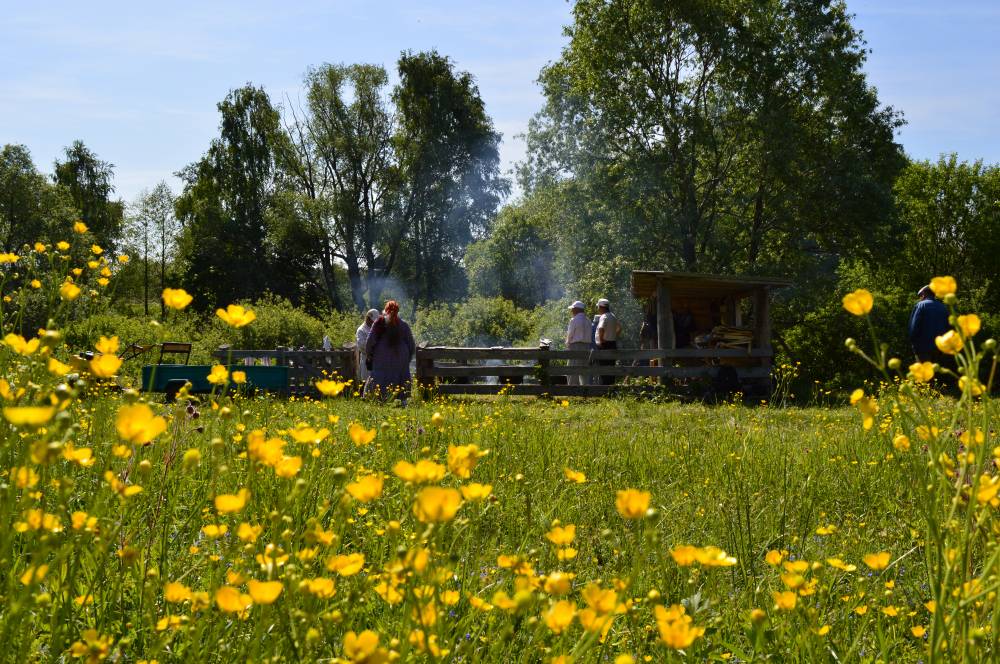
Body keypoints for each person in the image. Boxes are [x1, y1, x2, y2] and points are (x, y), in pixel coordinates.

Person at [365, 301, 416, 401]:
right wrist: (408, 357)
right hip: (401, 355)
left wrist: (369, 354)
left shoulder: (379, 322)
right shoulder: (404, 324)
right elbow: (411, 343)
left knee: (380, 376)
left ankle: (379, 398)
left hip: (382, 355)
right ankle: (403, 400)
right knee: (401, 375)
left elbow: (370, 340)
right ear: (398, 311)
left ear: (385, 309)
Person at [909, 285, 950, 363]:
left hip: (922, 348)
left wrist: (913, 344)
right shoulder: (943, 307)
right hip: (939, 348)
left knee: (923, 373)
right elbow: (948, 327)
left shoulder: (920, 305)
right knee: (934, 372)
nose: (920, 298)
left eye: (920, 296)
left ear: (923, 294)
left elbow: (913, 327)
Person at [595, 298, 622, 385]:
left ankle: (604, 389)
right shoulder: (613, 316)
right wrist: (615, 336)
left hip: (605, 345)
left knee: (603, 368)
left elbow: (601, 328)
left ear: (601, 307)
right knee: (611, 367)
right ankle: (611, 388)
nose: (598, 309)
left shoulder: (604, 316)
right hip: (612, 344)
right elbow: (620, 328)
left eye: (598, 307)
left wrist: (602, 340)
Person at [565, 300, 591, 387]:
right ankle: (585, 389)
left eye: (572, 309)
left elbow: (570, 335)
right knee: (584, 370)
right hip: (587, 347)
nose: (571, 311)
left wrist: (568, 344)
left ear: (577, 309)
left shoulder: (574, 320)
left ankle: (572, 389)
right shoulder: (588, 321)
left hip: (575, 346)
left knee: (572, 369)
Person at [355, 308, 380, 387]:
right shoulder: (361, 330)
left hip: (377, 358)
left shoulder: (376, 328)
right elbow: (362, 346)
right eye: (372, 320)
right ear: (368, 318)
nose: (374, 322)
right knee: (366, 380)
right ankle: (364, 397)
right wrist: (374, 347)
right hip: (367, 359)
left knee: (377, 381)